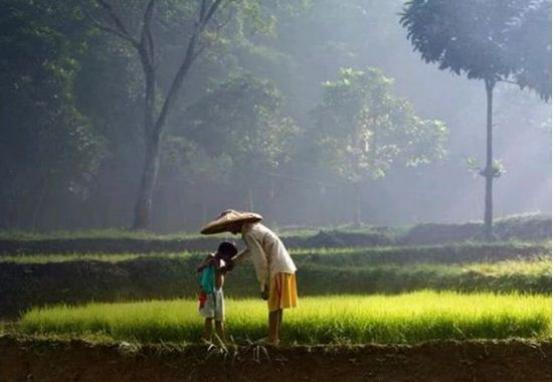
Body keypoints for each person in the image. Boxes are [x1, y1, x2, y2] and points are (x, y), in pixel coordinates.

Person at [201, 210, 297, 346]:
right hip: (284, 266)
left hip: (276, 267)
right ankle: (275, 337)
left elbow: (260, 260)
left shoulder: (248, 233)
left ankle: (272, 338)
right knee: (278, 305)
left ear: (236, 223)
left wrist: (264, 284)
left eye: (229, 226)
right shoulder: (254, 228)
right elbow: (251, 250)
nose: (230, 230)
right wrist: (233, 262)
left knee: (274, 304)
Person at [196, 241, 237, 343]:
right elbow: (199, 269)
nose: (229, 258)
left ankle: (222, 343)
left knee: (219, 319)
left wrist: (225, 268)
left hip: (218, 292)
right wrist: (207, 264)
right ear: (224, 253)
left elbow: (221, 276)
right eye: (229, 256)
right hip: (207, 291)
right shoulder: (211, 256)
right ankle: (206, 342)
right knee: (209, 318)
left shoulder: (223, 263)